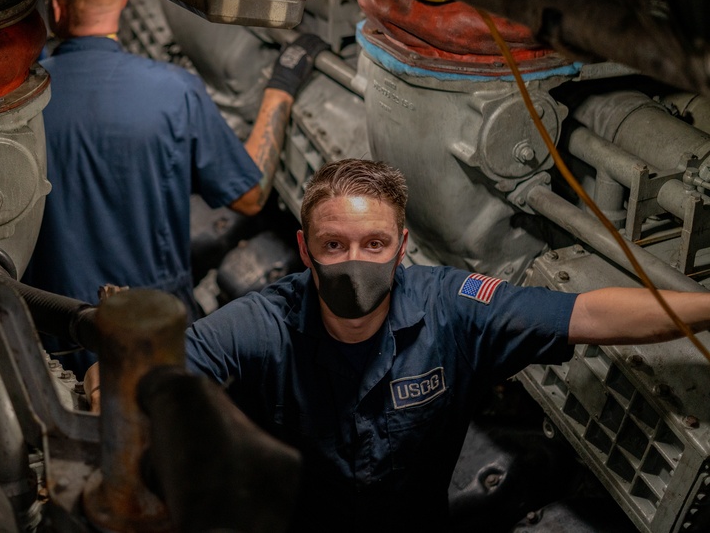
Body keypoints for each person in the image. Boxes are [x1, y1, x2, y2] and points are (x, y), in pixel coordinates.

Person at [85, 157, 710, 531]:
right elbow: (147, 372)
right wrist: (109, 377)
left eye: (374, 244)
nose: (354, 262)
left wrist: (705, 307)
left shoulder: (452, 307)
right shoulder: (264, 322)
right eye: (334, 246)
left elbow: (591, 312)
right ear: (305, 250)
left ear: (401, 246)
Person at [23, 0, 326, 375]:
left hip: (52, 334)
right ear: (123, 3)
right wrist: (281, 85)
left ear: (53, 9)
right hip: (157, 335)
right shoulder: (174, 90)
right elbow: (251, 196)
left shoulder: (22, 102)